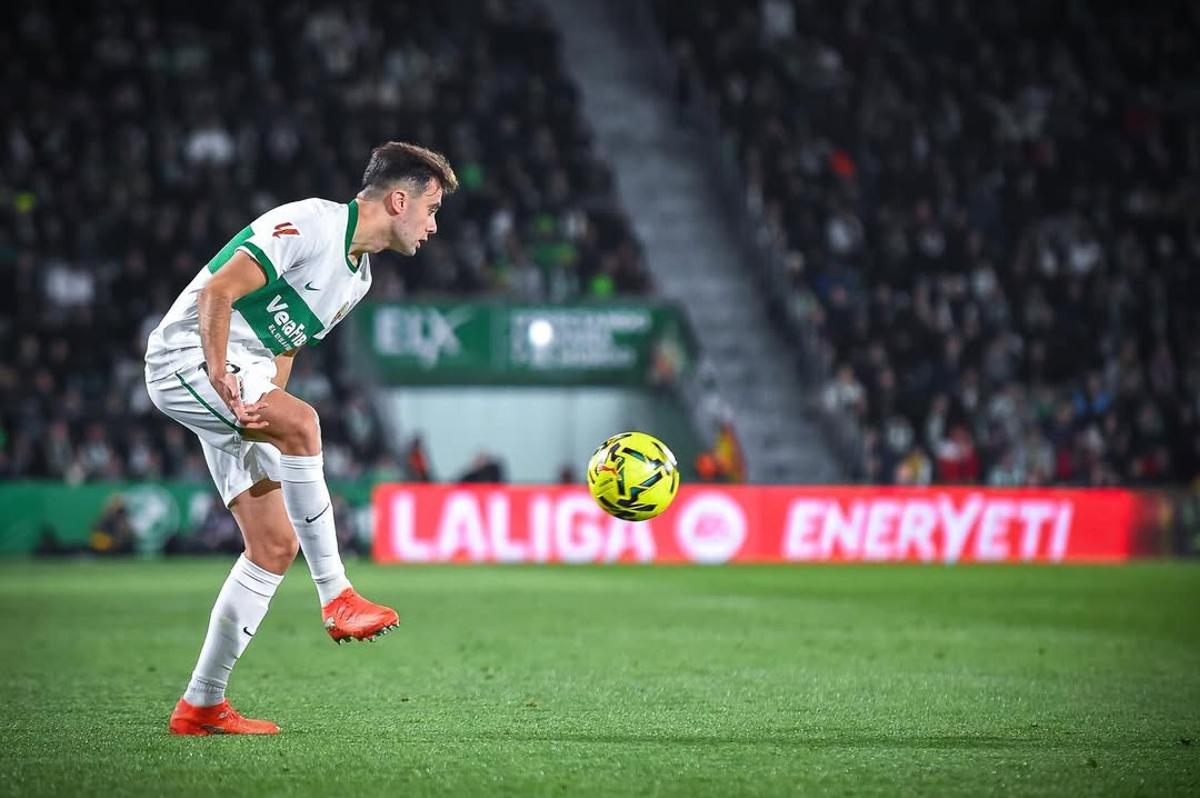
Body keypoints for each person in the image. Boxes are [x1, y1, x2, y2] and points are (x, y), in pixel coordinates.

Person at [144, 141, 458, 735]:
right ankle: (337, 594)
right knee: (308, 423)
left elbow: (283, 346)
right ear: (398, 200)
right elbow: (218, 292)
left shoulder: (357, 281)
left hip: (242, 377)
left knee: (273, 546)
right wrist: (221, 374)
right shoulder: (309, 224)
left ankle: (201, 704)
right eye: (431, 209)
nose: (434, 226)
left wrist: (268, 415)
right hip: (188, 356)